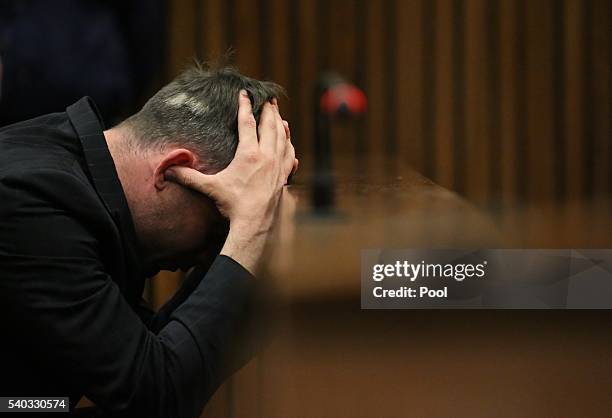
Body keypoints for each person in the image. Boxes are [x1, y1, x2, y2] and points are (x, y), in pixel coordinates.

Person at [0, 64, 297, 417]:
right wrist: (250, 229)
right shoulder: (30, 203)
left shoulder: (74, 173)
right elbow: (159, 396)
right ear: (172, 169)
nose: (206, 255)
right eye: (219, 226)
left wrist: (262, 251)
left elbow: (150, 356)